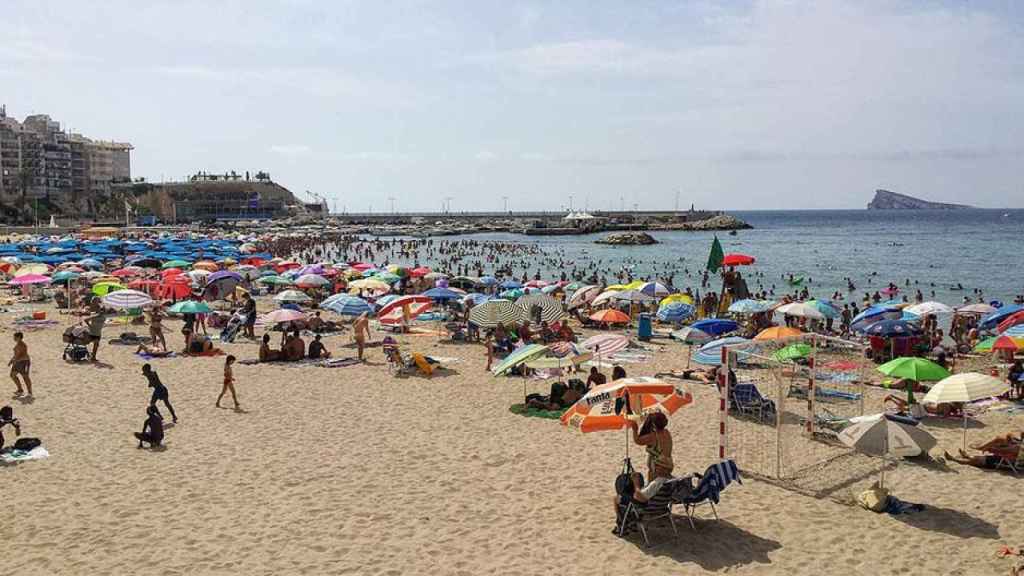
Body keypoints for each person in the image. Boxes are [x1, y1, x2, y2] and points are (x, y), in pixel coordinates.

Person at [630, 411, 674, 480]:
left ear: (653, 425)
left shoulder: (653, 436)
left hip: (658, 468)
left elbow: (638, 441)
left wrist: (635, 430)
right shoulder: (666, 432)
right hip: (668, 465)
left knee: (653, 486)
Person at [9, 332, 31, 398]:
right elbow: (16, 354)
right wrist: (11, 360)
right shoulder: (18, 344)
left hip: (23, 362)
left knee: (25, 377)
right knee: (12, 375)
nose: (14, 338)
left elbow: (24, 355)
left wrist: (16, 360)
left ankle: (30, 392)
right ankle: (20, 390)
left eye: (15, 337)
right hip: (17, 362)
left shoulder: (23, 345)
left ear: (19, 337)